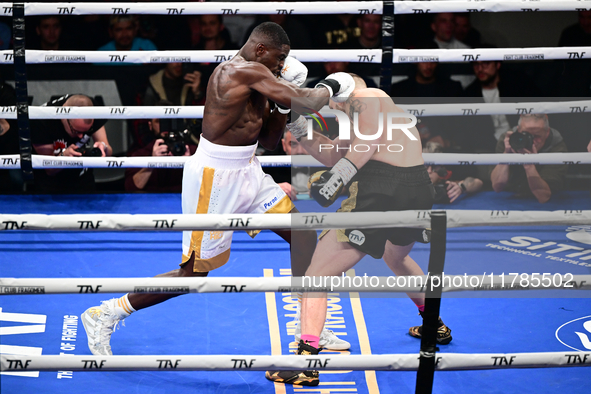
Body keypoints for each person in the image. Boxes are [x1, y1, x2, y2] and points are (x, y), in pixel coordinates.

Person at [81, 22, 355, 356]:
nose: (281, 67)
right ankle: (107, 313)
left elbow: (268, 139)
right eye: (279, 59)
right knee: (194, 272)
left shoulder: (263, 78)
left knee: (304, 236)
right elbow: (311, 100)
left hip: (248, 170)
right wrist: (336, 82)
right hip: (214, 178)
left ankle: (310, 327)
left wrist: (283, 104)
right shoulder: (238, 72)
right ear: (259, 50)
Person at [266, 80, 452, 387]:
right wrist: (296, 123)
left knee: (316, 276)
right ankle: (434, 325)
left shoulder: (368, 97)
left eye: (332, 100)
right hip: (417, 189)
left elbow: (365, 145)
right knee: (396, 257)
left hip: (381, 190)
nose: (331, 107)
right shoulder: (373, 118)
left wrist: (341, 175)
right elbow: (331, 154)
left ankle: (306, 363)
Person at [31, 94, 111, 193]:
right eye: (76, 131)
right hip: (51, 186)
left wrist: (104, 148)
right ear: (64, 117)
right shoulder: (41, 121)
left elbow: (107, 149)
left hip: (84, 179)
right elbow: (49, 169)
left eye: (86, 131)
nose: (81, 136)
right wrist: (64, 157)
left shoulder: (90, 108)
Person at [490, 114, 568, 204]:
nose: (531, 141)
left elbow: (543, 196)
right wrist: (506, 155)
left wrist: (529, 165)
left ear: (547, 132)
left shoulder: (556, 147)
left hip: (545, 201)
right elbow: (497, 187)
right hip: (510, 195)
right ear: (518, 130)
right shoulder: (509, 140)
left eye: (537, 136)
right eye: (526, 135)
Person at [124, 107, 197, 193]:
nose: (165, 127)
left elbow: (206, 186)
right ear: (150, 125)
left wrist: (189, 165)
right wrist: (151, 163)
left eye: (168, 121)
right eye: (159, 121)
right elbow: (130, 188)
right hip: (150, 203)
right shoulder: (140, 154)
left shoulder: (193, 151)